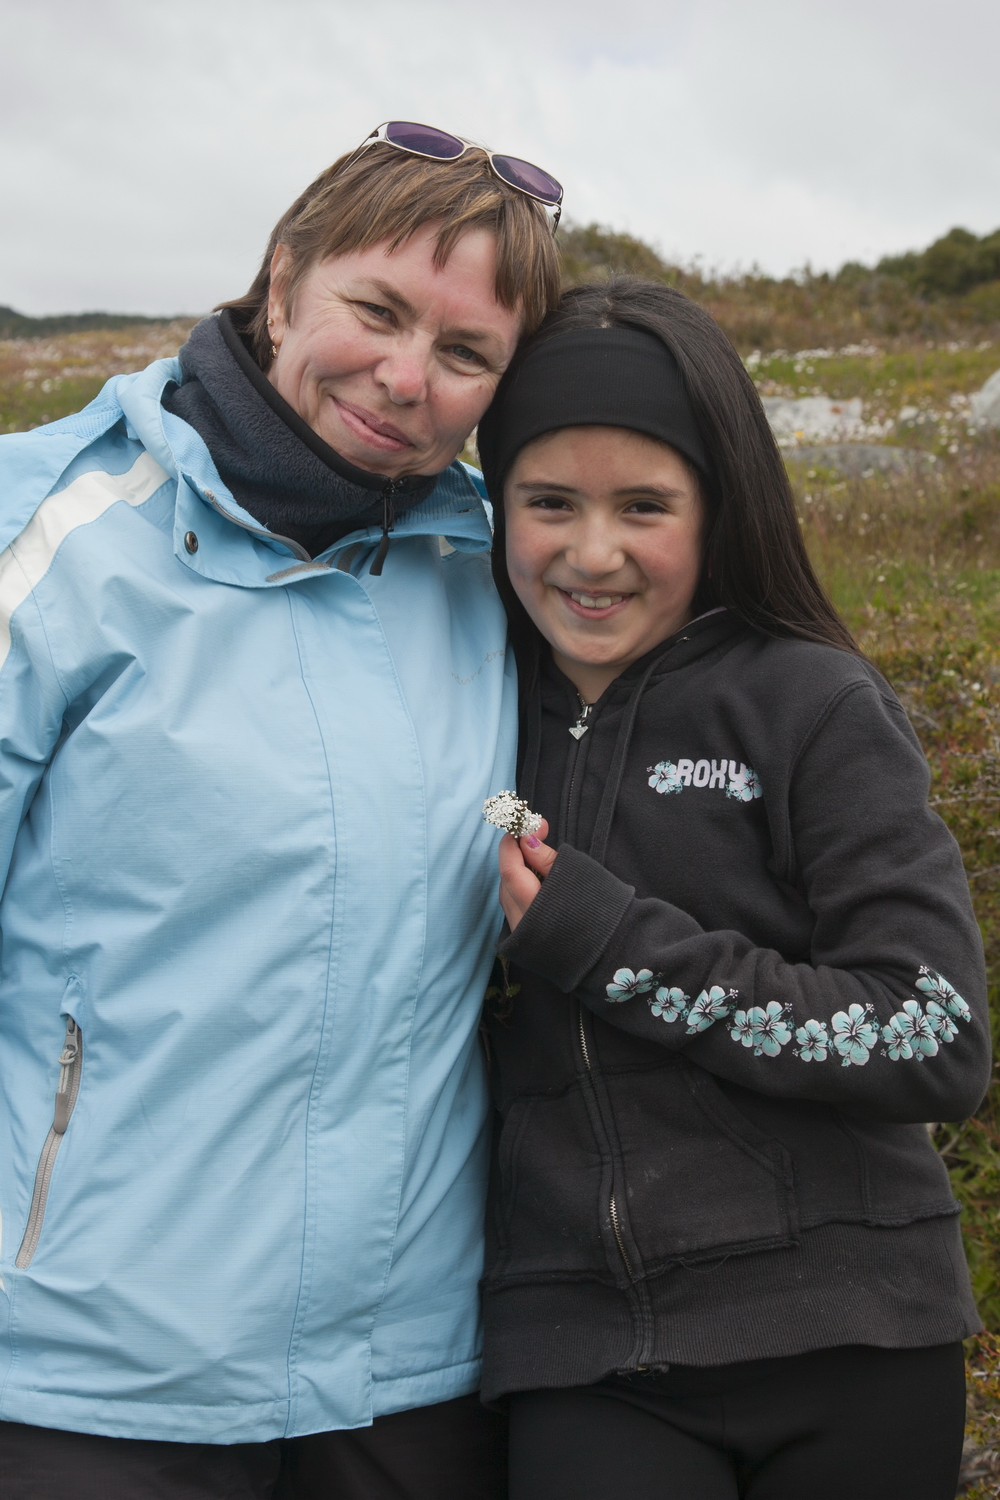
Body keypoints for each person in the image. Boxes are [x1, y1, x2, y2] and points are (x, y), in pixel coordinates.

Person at [0, 122, 561, 1498]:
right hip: (90, 1374)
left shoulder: (499, 570)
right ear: (283, 277)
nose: (406, 378)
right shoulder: (56, 533)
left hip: (408, 1374)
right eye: (377, 310)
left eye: (466, 352)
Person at [474, 276, 992, 1500]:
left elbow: (931, 1034)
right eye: (548, 502)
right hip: (578, 1354)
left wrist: (607, 942)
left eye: (643, 506)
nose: (590, 553)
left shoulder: (811, 703)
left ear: (721, 507)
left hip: (850, 1332)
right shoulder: (462, 707)